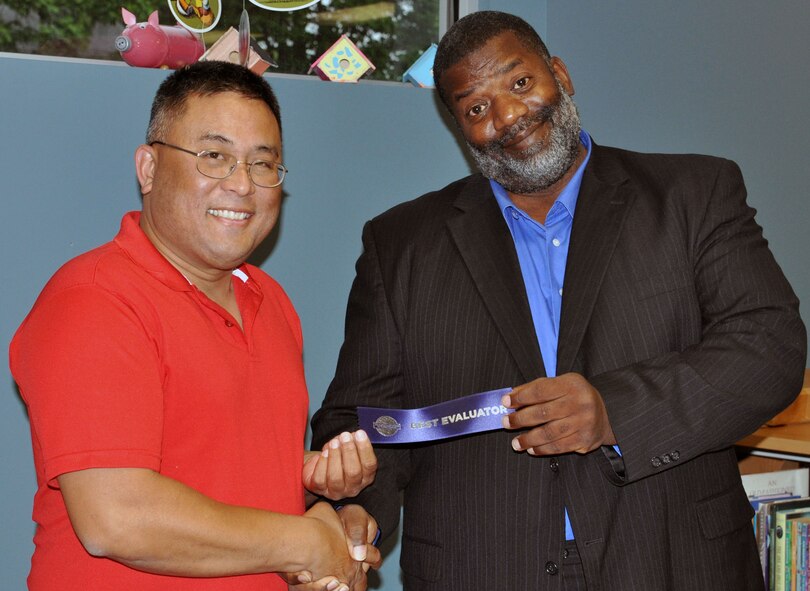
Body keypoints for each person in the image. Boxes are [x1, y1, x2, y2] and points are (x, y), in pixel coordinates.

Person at [311, 10, 807, 591]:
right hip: (479, 569)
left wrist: (615, 412)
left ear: (560, 75)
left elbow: (768, 349)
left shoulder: (693, 195)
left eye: (520, 83)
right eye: (476, 107)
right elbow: (364, 419)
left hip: (673, 562)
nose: (509, 116)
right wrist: (354, 501)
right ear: (458, 127)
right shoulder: (400, 244)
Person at [10, 61, 380, 591]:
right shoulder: (94, 300)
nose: (242, 185)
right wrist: (304, 542)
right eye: (215, 157)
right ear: (149, 169)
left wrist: (318, 497)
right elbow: (118, 517)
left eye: (263, 164)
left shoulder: (269, 301)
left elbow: (211, 463)